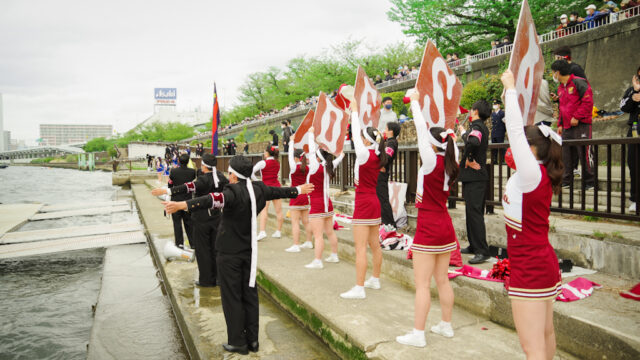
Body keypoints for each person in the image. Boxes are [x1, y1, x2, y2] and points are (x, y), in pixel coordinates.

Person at [163, 155, 313, 355]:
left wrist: (183, 205)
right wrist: (298, 190)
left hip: (229, 252)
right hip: (249, 251)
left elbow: (212, 200)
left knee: (232, 296)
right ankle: (253, 341)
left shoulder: (232, 192)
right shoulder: (259, 189)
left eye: (230, 172)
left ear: (233, 175)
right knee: (249, 294)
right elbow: (279, 191)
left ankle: (237, 342)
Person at [500, 69, 564, 360]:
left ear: (532, 149)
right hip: (541, 261)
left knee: (532, 347)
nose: (514, 149)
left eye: (522, 146)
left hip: (531, 267)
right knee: (546, 336)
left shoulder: (530, 174)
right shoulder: (535, 175)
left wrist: (511, 89)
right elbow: (512, 130)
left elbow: (514, 130)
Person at [396, 89, 459, 348]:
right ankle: (446, 325)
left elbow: (422, 130)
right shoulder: (450, 161)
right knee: (442, 278)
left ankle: (418, 333)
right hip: (445, 224)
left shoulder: (432, 160)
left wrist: (416, 103)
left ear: (433, 144)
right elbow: (426, 134)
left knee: (422, 284)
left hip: (429, 224)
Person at [152, 153, 229, 287]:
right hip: (217, 217)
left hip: (201, 217)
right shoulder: (221, 177)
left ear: (204, 166)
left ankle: (206, 280)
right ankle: (218, 279)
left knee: (203, 250)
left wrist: (167, 192)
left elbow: (187, 187)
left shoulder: (203, 180)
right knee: (216, 248)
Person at [340, 102, 384, 300]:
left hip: (364, 202)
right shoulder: (377, 153)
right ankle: (375, 278)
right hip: (374, 201)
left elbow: (356, 135)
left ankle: (359, 287)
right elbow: (358, 137)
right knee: (375, 245)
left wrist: (355, 112)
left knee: (360, 248)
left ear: (366, 141)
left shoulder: (365, 153)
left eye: (362, 139)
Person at [551, 60, 595, 190]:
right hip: (566, 127)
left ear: (558, 73)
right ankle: (566, 180)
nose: (552, 75)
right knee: (566, 154)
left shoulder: (579, 82)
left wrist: (577, 116)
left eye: (553, 72)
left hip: (582, 125)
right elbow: (562, 107)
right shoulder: (560, 87)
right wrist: (560, 124)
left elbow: (588, 102)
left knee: (584, 152)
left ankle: (590, 181)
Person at [304, 129, 345, 269]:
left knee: (318, 235)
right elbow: (340, 157)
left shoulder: (315, 166)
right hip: (327, 203)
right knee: (330, 232)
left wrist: (311, 135)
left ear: (318, 157)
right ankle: (334, 255)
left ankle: (318, 260)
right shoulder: (329, 166)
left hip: (317, 204)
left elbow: (310, 151)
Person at [457, 100, 491, 264]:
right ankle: (473, 245)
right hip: (472, 176)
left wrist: (464, 133)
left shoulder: (477, 127)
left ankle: (482, 250)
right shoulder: (478, 127)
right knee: (470, 212)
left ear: (475, 111)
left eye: (471, 110)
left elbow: (473, 142)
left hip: (476, 176)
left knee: (475, 213)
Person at [285, 142, 313, 252]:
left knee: (295, 222)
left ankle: (296, 245)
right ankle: (309, 242)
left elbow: (289, 155)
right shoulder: (308, 168)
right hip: (305, 196)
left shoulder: (293, 168)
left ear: (296, 158)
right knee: (306, 221)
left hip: (295, 195)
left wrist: (291, 142)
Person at [252, 145, 284, 240]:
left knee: (264, 210)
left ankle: (262, 231)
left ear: (267, 153)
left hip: (266, 187)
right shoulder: (278, 162)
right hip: (277, 187)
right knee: (279, 210)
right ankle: (278, 231)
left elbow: (251, 172)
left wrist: (258, 181)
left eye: (264, 152)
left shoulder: (263, 162)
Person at [620, 67, 640, 212]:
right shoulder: (632, 90)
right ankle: (635, 199)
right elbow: (623, 107)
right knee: (634, 164)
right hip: (635, 129)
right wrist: (634, 93)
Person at [168, 153, 197, 248]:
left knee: (177, 223)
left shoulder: (173, 171)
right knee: (189, 223)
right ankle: (193, 244)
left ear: (179, 161)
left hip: (175, 200)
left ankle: (179, 244)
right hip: (187, 201)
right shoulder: (192, 172)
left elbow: (170, 184)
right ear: (188, 161)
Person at [377, 122, 401, 232]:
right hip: (381, 172)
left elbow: (387, 157)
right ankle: (384, 221)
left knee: (383, 199)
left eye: (386, 128)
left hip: (383, 173)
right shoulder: (388, 142)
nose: (385, 130)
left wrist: (382, 165)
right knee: (380, 198)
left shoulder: (392, 143)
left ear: (391, 131)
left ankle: (390, 223)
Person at [491, 99, 506, 164]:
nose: (494, 105)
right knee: (494, 148)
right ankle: (494, 160)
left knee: (501, 147)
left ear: (499, 105)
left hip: (500, 132)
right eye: (494, 104)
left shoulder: (502, 113)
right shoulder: (493, 114)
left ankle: (502, 160)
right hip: (494, 132)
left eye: (496, 104)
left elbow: (505, 122)